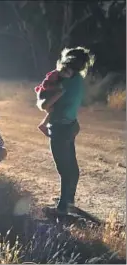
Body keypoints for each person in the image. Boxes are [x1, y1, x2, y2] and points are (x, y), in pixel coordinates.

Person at [37, 46, 95, 215]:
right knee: (73, 169)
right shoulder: (77, 79)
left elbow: (44, 105)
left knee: (64, 170)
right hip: (70, 126)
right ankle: (68, 200)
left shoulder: (61, 82)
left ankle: (62, 209)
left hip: (59, 128)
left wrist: (47, 100)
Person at [34, 66, 74, 137]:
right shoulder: (54, 74)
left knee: (52, 110)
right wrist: (56, 87)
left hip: (47, 93)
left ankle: (43, 125)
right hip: (43, 93)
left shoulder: (62, 78)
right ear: (62, 71)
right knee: (59, 94)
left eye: (69, 74)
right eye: (67, 73)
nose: (68, 76)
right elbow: (45, 85)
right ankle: (44, 125)